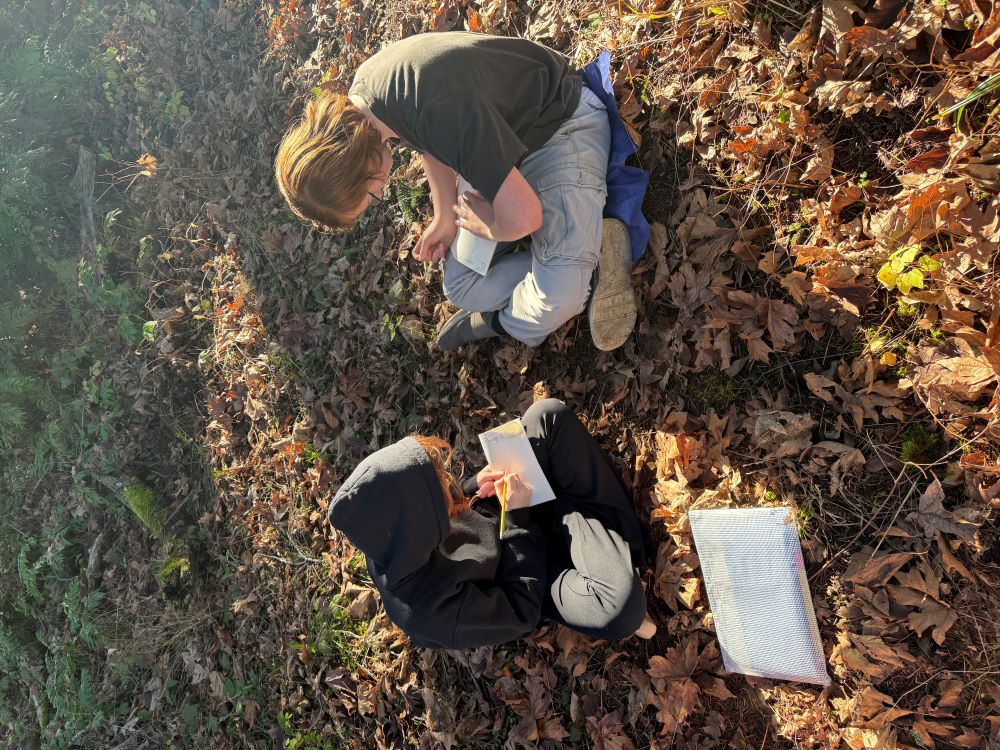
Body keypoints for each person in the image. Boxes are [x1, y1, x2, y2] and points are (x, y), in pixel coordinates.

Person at [274, 31, 642, 352]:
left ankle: (531, 304)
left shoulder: (439, 109)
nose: (380, 194)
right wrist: (443, 216)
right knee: (462, 286)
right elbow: (430, 143)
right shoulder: (368, 99)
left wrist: (491, 227)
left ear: (362, 165)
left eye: (369, 197)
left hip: (562, 130)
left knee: (559, 297)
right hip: (509, 150)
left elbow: (525, 217)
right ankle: (576, 253)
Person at [327, 399, 656, 648]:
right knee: (617, 609)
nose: (450, 480)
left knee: (547, 415)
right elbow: (521, 609)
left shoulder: (388, 529)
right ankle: (595, 532)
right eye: (443, 485)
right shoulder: (431, 614)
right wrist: (517, 518)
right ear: (418, 519)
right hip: (526, 575)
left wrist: (473, 489)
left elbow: (455, 507)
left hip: (512, 515)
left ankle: (586, 529)